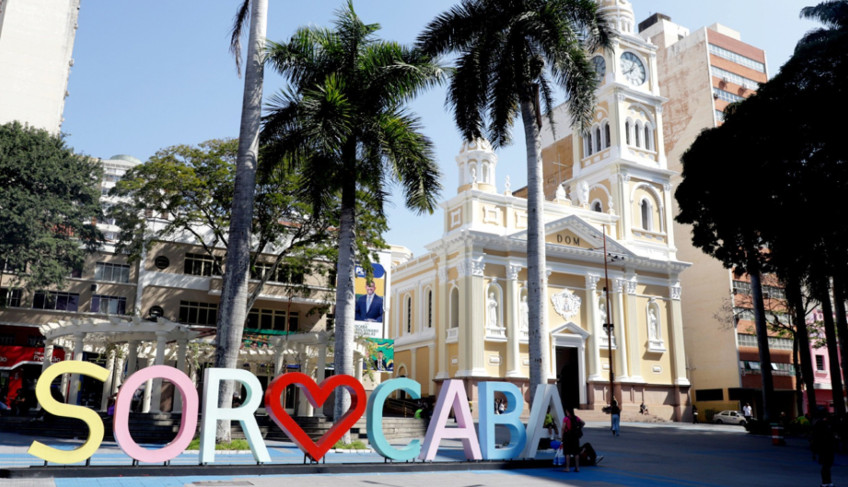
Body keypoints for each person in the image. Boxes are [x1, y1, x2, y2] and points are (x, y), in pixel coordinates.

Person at [811, 414, 838, 487]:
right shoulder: (824, 426)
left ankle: (826, 482)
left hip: (824, 448)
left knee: (826, 466)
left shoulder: (820, 425)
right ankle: (826, 482)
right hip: (826, 448)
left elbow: (815, 438)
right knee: (826, 466)